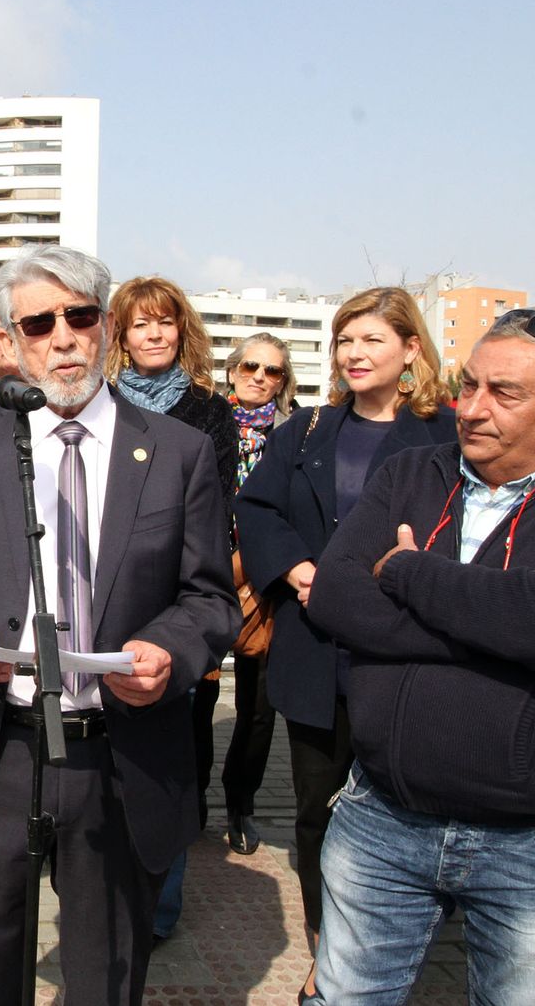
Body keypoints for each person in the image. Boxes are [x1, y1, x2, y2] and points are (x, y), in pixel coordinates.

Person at [0, 245, 238, 1005]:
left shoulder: (179, 452)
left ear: (106, 327)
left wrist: (171, 654)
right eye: (39, 322)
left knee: (106, 983)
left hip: (118, 754)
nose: (63, 337)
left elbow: (212, 600)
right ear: (9, 340)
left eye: (80, 316)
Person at [305, 306, 535, 1002]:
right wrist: (513, 612)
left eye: (502, 393)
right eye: (467, 384)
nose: (469, 409)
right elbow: (335, 600)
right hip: (382, 816)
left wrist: (408, 574)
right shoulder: (412, 472)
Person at [234, 286, 455, 998]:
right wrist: (299, 567)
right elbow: (256, 505)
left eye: (372, 341)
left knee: (401, 813)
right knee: (314, 811)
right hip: (312, 646)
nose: (355, 354)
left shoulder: (446, 435)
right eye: (345, 341)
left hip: (403, 652)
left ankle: (384, 950)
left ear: (411, 350)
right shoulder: (308, 430)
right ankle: (330, 955)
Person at [100, 274, 237, 938]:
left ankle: (158, 907)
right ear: (120, 335)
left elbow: (217, 517)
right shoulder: (96, 402)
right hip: (98, 607)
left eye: (164, 322)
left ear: (181, 330)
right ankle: (97, 894)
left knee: (164, 769)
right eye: (139, 324)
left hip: (170, 614)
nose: (153, 334)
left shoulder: (209, 412)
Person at [218, 333, 299, 856]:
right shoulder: (207, 424)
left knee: (258, 708)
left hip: (267, 582)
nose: (259, 378)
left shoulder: (299, 434)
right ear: (231, 371)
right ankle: (187, 806)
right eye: (251, 366)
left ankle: (240, 804)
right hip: (206, 575)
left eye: (272, 371)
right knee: (196, 699)